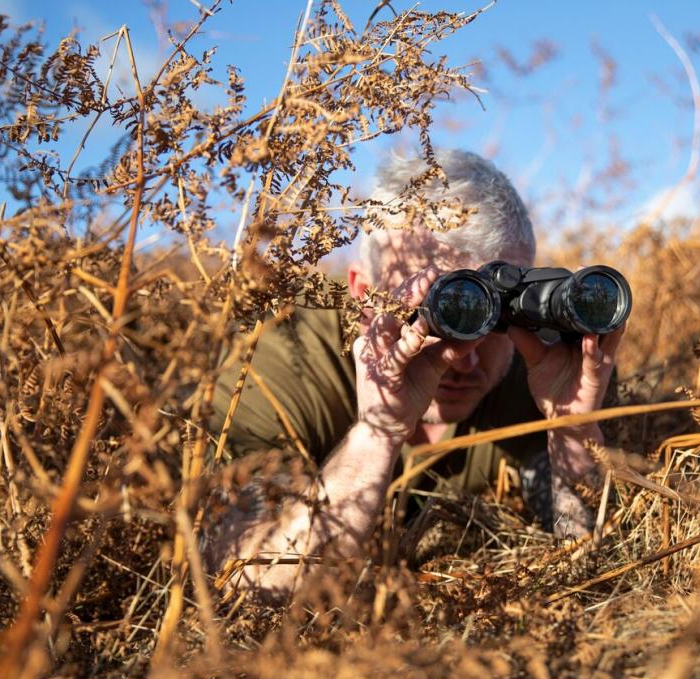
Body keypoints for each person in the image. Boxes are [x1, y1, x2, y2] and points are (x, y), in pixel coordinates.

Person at [203, 149, 624, 598]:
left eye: (496, 319)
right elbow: (251, 581)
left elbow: (593, 564)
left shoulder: (552, 366)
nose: (466, 359)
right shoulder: (285, 365)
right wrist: (376, 433)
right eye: (439, 316)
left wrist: (572, 431)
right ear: (365, 294)